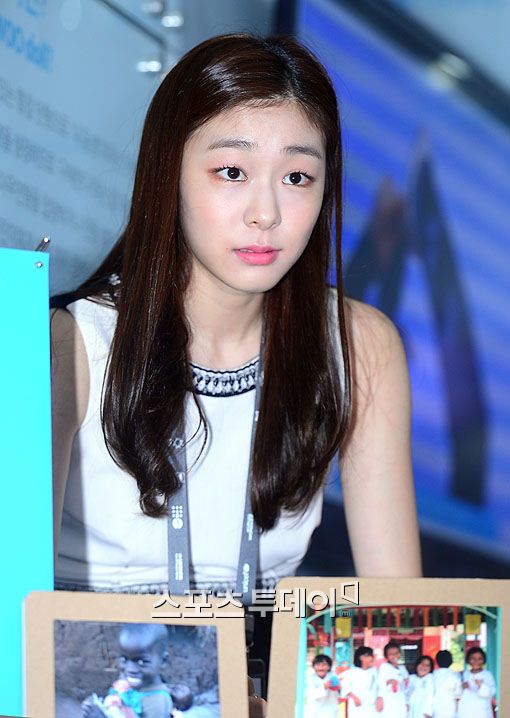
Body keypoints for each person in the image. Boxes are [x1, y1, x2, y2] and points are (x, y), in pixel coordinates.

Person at [51, 32, 421, 717]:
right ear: (168, 173)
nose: (266, 213)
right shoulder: (70, 341)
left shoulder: (359, 345)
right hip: (96, 688)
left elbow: (398, 614)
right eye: (231, 172)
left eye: (298, 177)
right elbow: (13, 616)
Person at [81, 624, 174, 718]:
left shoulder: (158, 702)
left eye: (141, 662)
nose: (130, 669)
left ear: (163, 661)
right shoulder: (128, 680)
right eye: (124, 659)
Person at [457, 647, 496, 718]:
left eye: (479, 659)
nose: (476, 661)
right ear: (468, 659)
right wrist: (462, 687)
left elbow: (492, 692)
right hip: (465, 711)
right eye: (473, 658)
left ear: (483, 660)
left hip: (482, 711)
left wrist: (481, 686)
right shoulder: (464, 674)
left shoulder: (487, 675)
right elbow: (456, 692)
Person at [341, 646, 377, 716]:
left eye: (372, 656)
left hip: (372, 707)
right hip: (357, 706)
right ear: (361, 657)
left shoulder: (374, 671)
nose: (371, 658)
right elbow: (345, 687)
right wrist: (354, 698)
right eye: (368, 656)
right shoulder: (351, 672)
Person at [376, 642, 409, 717]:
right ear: (386, 656)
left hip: (400, 699)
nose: (394, 655)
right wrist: (389, 682)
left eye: (397, 653)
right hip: (388, 700)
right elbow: (380, 683)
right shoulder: (384, 667)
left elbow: (406, 685)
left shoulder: (403, 668)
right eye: (391, 654)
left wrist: (406, 702)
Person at [432, 649, 461, 718]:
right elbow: (458, 696)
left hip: (434, 709)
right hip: (450, 710)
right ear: (451, 661)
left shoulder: (432, 675)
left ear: (436, 661)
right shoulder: (455, 675)